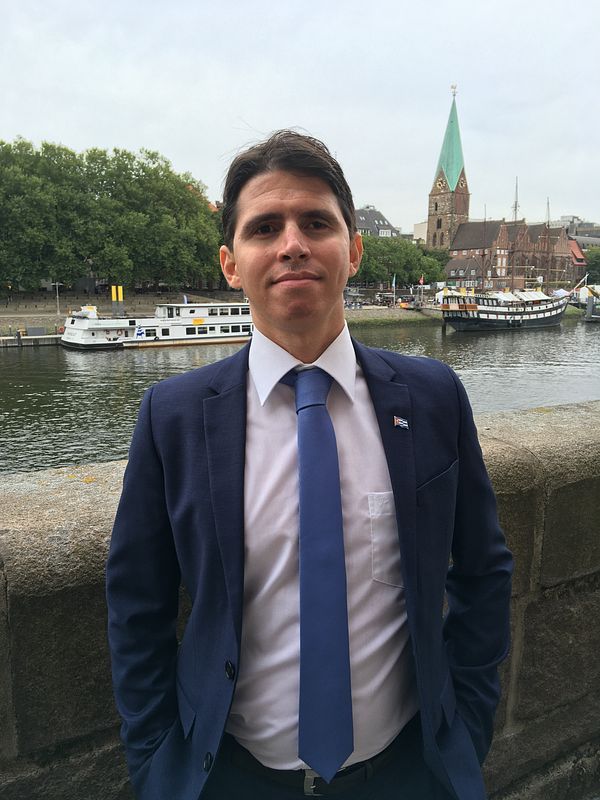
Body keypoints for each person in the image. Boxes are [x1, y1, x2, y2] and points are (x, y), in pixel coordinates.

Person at [106, 130, 513, 800]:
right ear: (230, 263)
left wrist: (465, 730)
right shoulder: (171, 417)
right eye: (264, 227)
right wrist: (156, 760)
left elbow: (483, 570)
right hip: (229, 776)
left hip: (407, 771)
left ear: (353, 250)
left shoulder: (434, 396)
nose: (292, 243)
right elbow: (136, 604)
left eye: (316, 223)